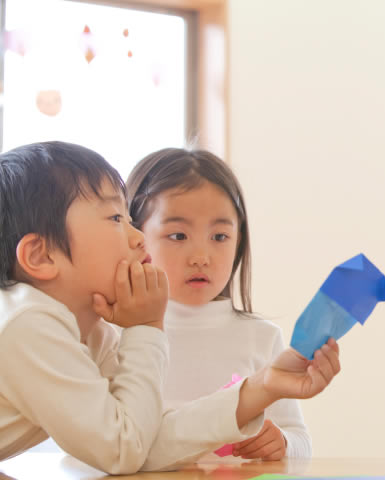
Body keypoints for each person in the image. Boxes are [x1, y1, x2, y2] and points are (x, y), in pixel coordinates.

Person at [0, 141, 340, 474]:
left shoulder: (94, 334)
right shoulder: (27, 324)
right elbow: (121, 450)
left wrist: (263, 386)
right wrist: (146, 328)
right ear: (40, 256)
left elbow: (141, 442)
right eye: (117, 218)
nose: (137, 239)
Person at [126, 147, 311, 461]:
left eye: (220, 237)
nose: (201, 257)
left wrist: (282, 444)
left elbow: (300, 442)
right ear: (136, 235)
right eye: (178, 236)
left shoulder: (262, 336)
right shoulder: (118, 334)